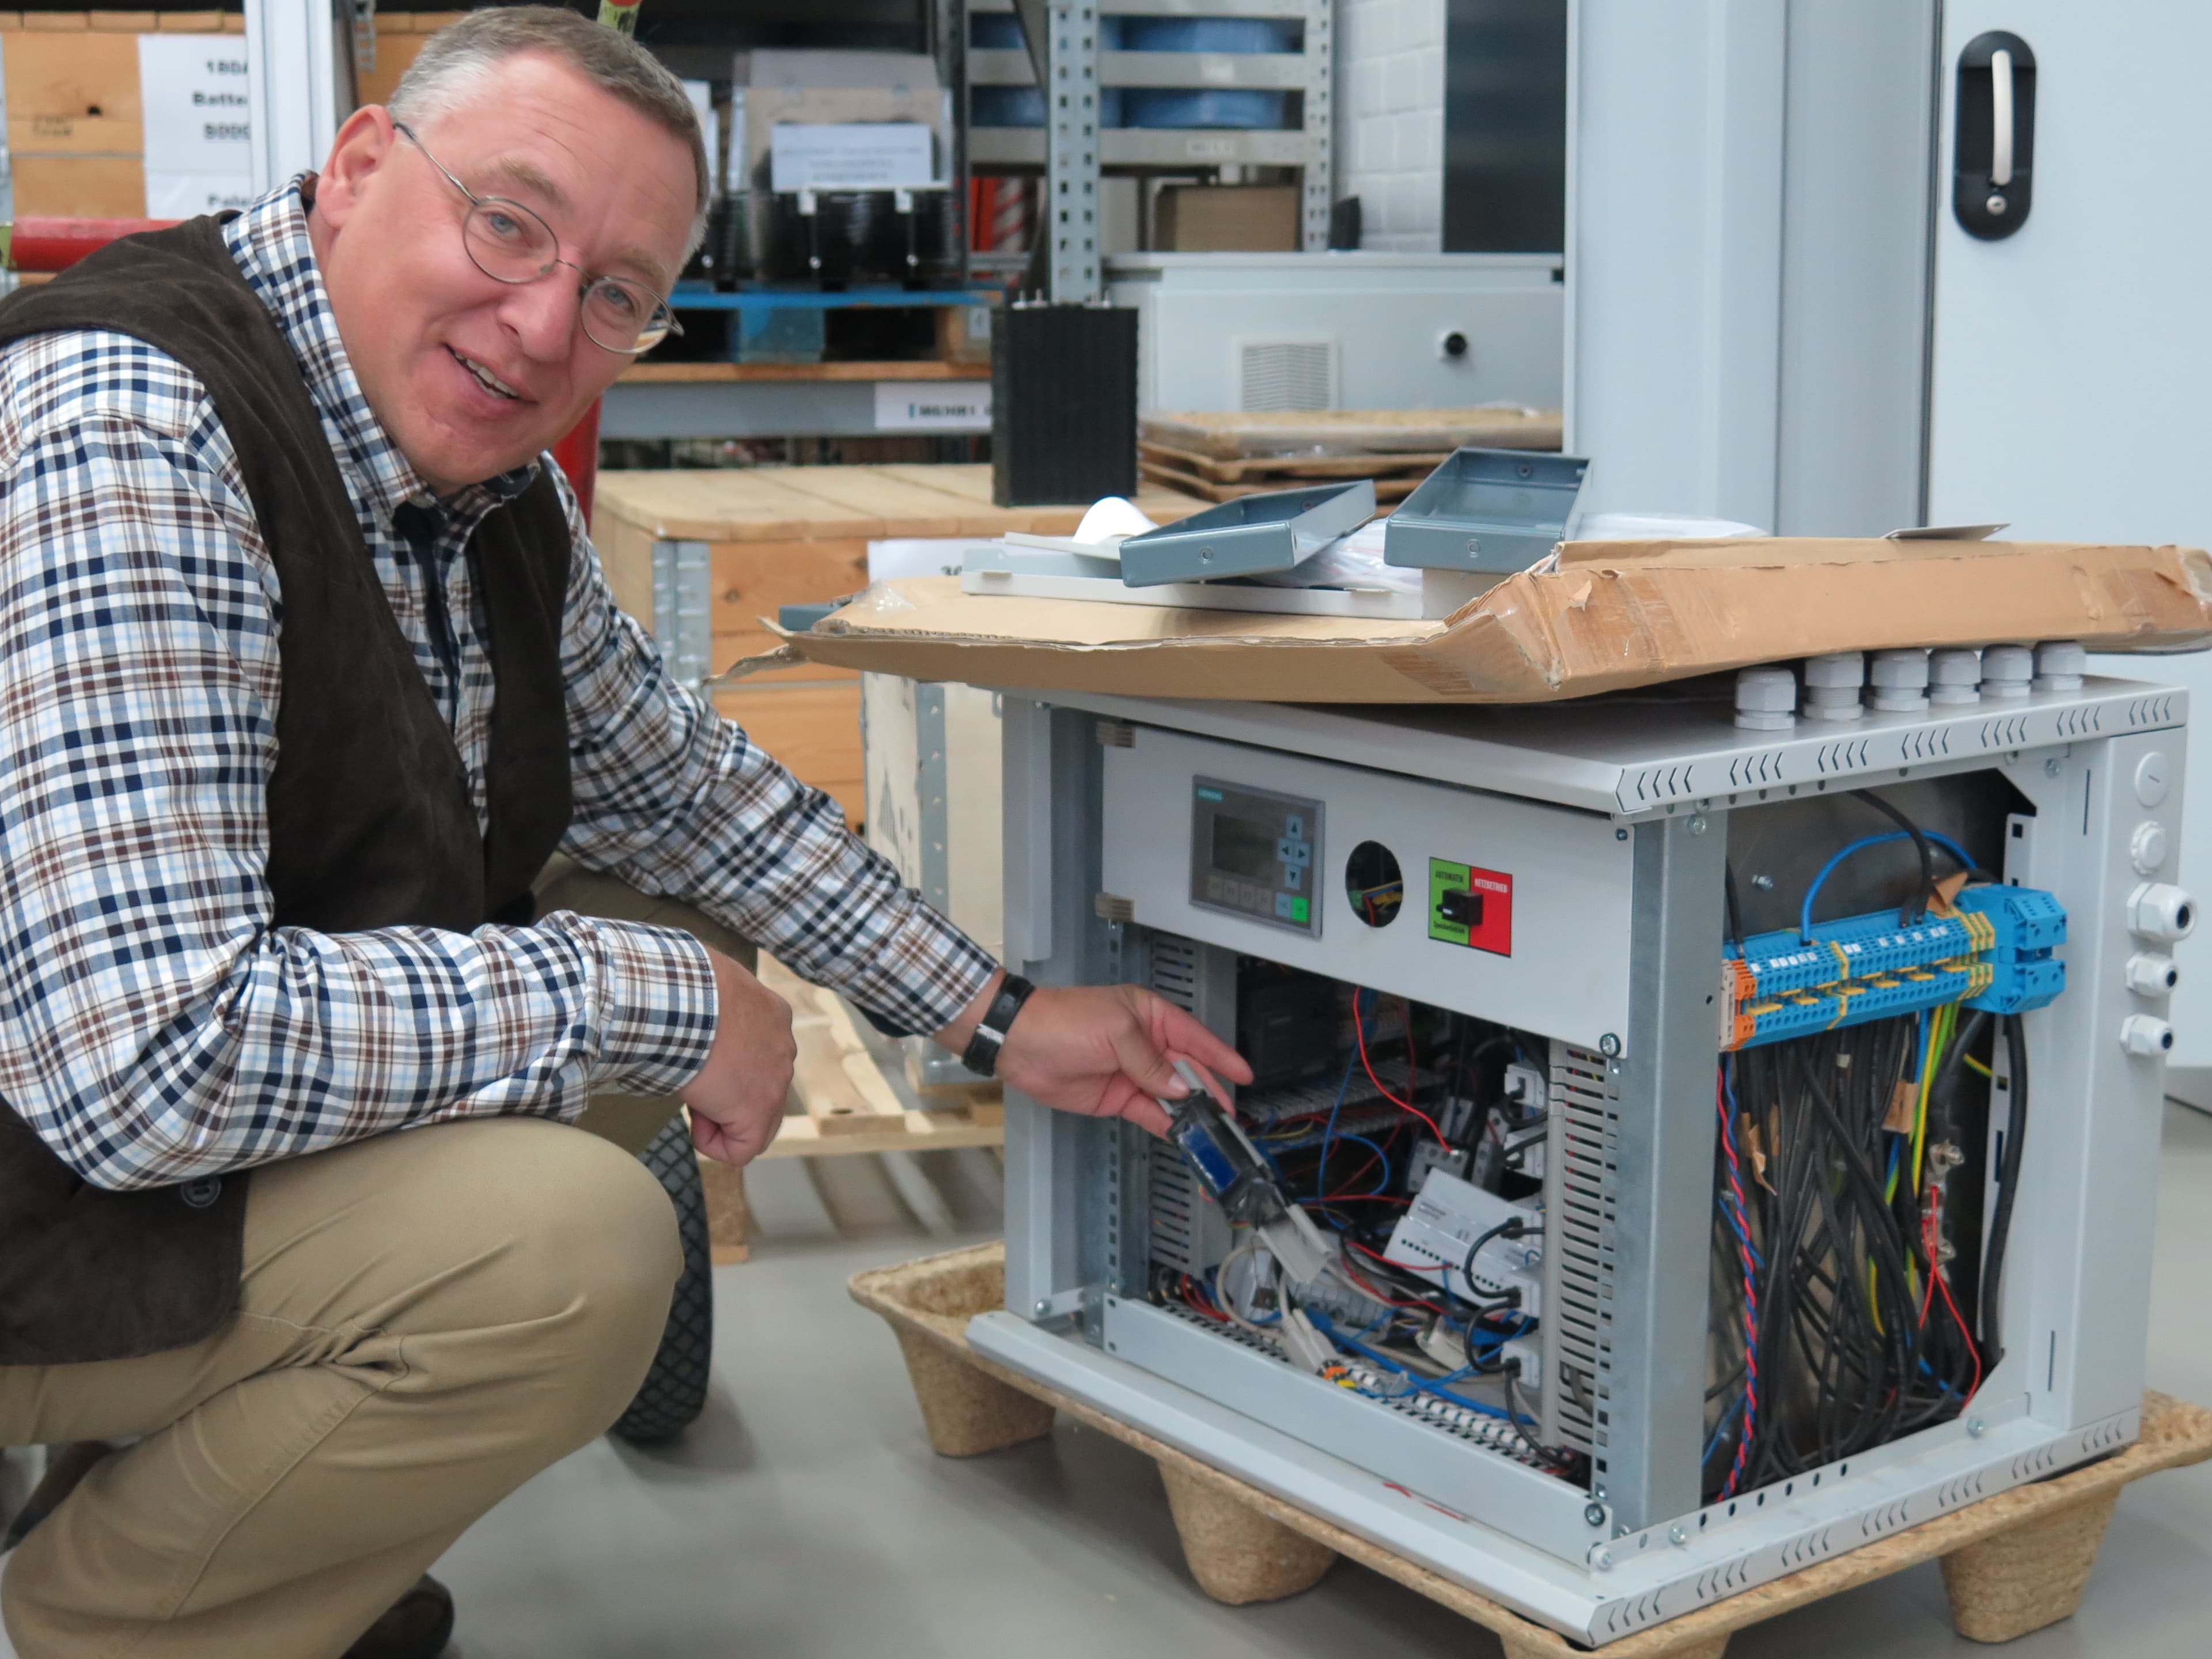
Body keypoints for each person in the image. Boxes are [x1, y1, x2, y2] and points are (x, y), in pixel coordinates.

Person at [0, 10, 1247, 1658]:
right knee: (577, 1255)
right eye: (508, 224)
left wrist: (1001, 1012)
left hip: (110, 1140)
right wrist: (640, 995)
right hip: (55, 1161)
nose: (540, 325)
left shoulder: (475, 477)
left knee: (673, 916)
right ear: (363, 169)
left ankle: (193, 1509)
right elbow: (145, 1064)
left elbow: (683, 783)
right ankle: (81, 1626)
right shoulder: (132, 429)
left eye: (614, 295)